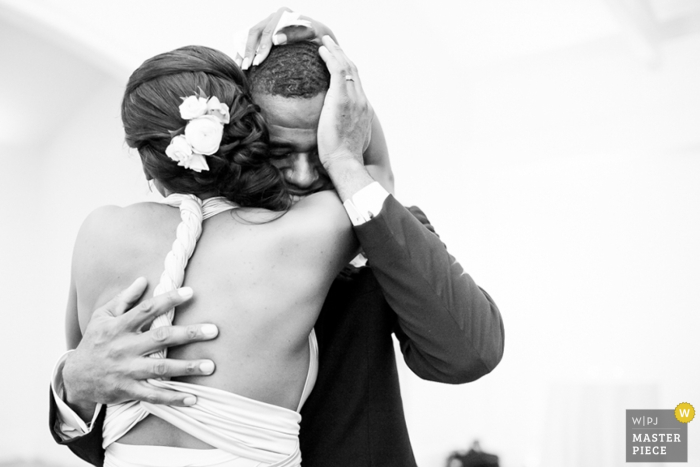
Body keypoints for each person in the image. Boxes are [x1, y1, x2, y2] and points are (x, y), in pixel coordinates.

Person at [50, 11, 505, 467]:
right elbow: (103, 437)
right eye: (282, 152)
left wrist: (345, 153)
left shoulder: (377, 220)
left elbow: (468, 355)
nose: (307, 174)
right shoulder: (308, 226)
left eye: (324, 148)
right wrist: (75, 383)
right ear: (243, 133)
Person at [59, 36, 375, 467]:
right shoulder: (311, 230)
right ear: (251, 129)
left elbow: (88, 363)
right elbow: (370, 174)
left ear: (143, 153)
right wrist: (335, 63)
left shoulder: (99, 231)